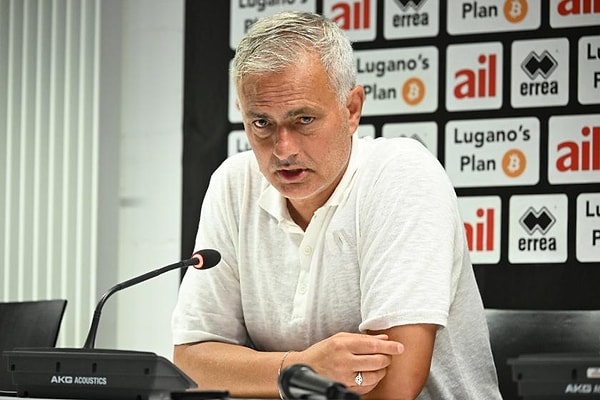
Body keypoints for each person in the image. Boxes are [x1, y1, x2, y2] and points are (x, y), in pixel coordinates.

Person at [171, 10, 502, 400]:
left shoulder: (400, 174)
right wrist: (298, 368)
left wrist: (258, 375)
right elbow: (191, 363)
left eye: (304, 119)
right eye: (262, 124)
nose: (283, 150)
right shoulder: (233, 184)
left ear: (351, 109)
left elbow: (394, 385)